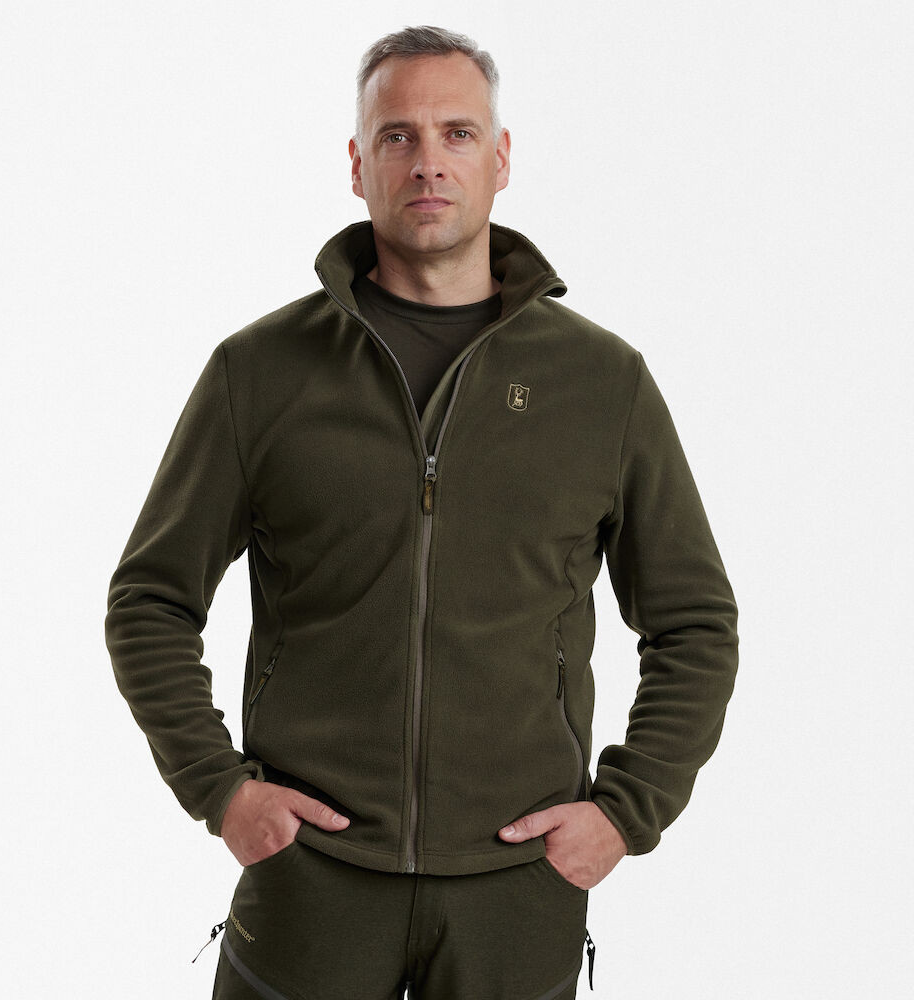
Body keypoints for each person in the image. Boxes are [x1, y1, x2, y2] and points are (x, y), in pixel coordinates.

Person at [105, 25, 738, 1000]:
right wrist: (220, 790)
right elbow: (150, 599)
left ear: (501, 158)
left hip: (515, 888)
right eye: (397, 136)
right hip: (312, 878)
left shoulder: (601, 383)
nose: (429, 161)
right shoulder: (260, 373)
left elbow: (693, 622)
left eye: (457, 133)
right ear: (358, 166)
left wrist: (625, 811)